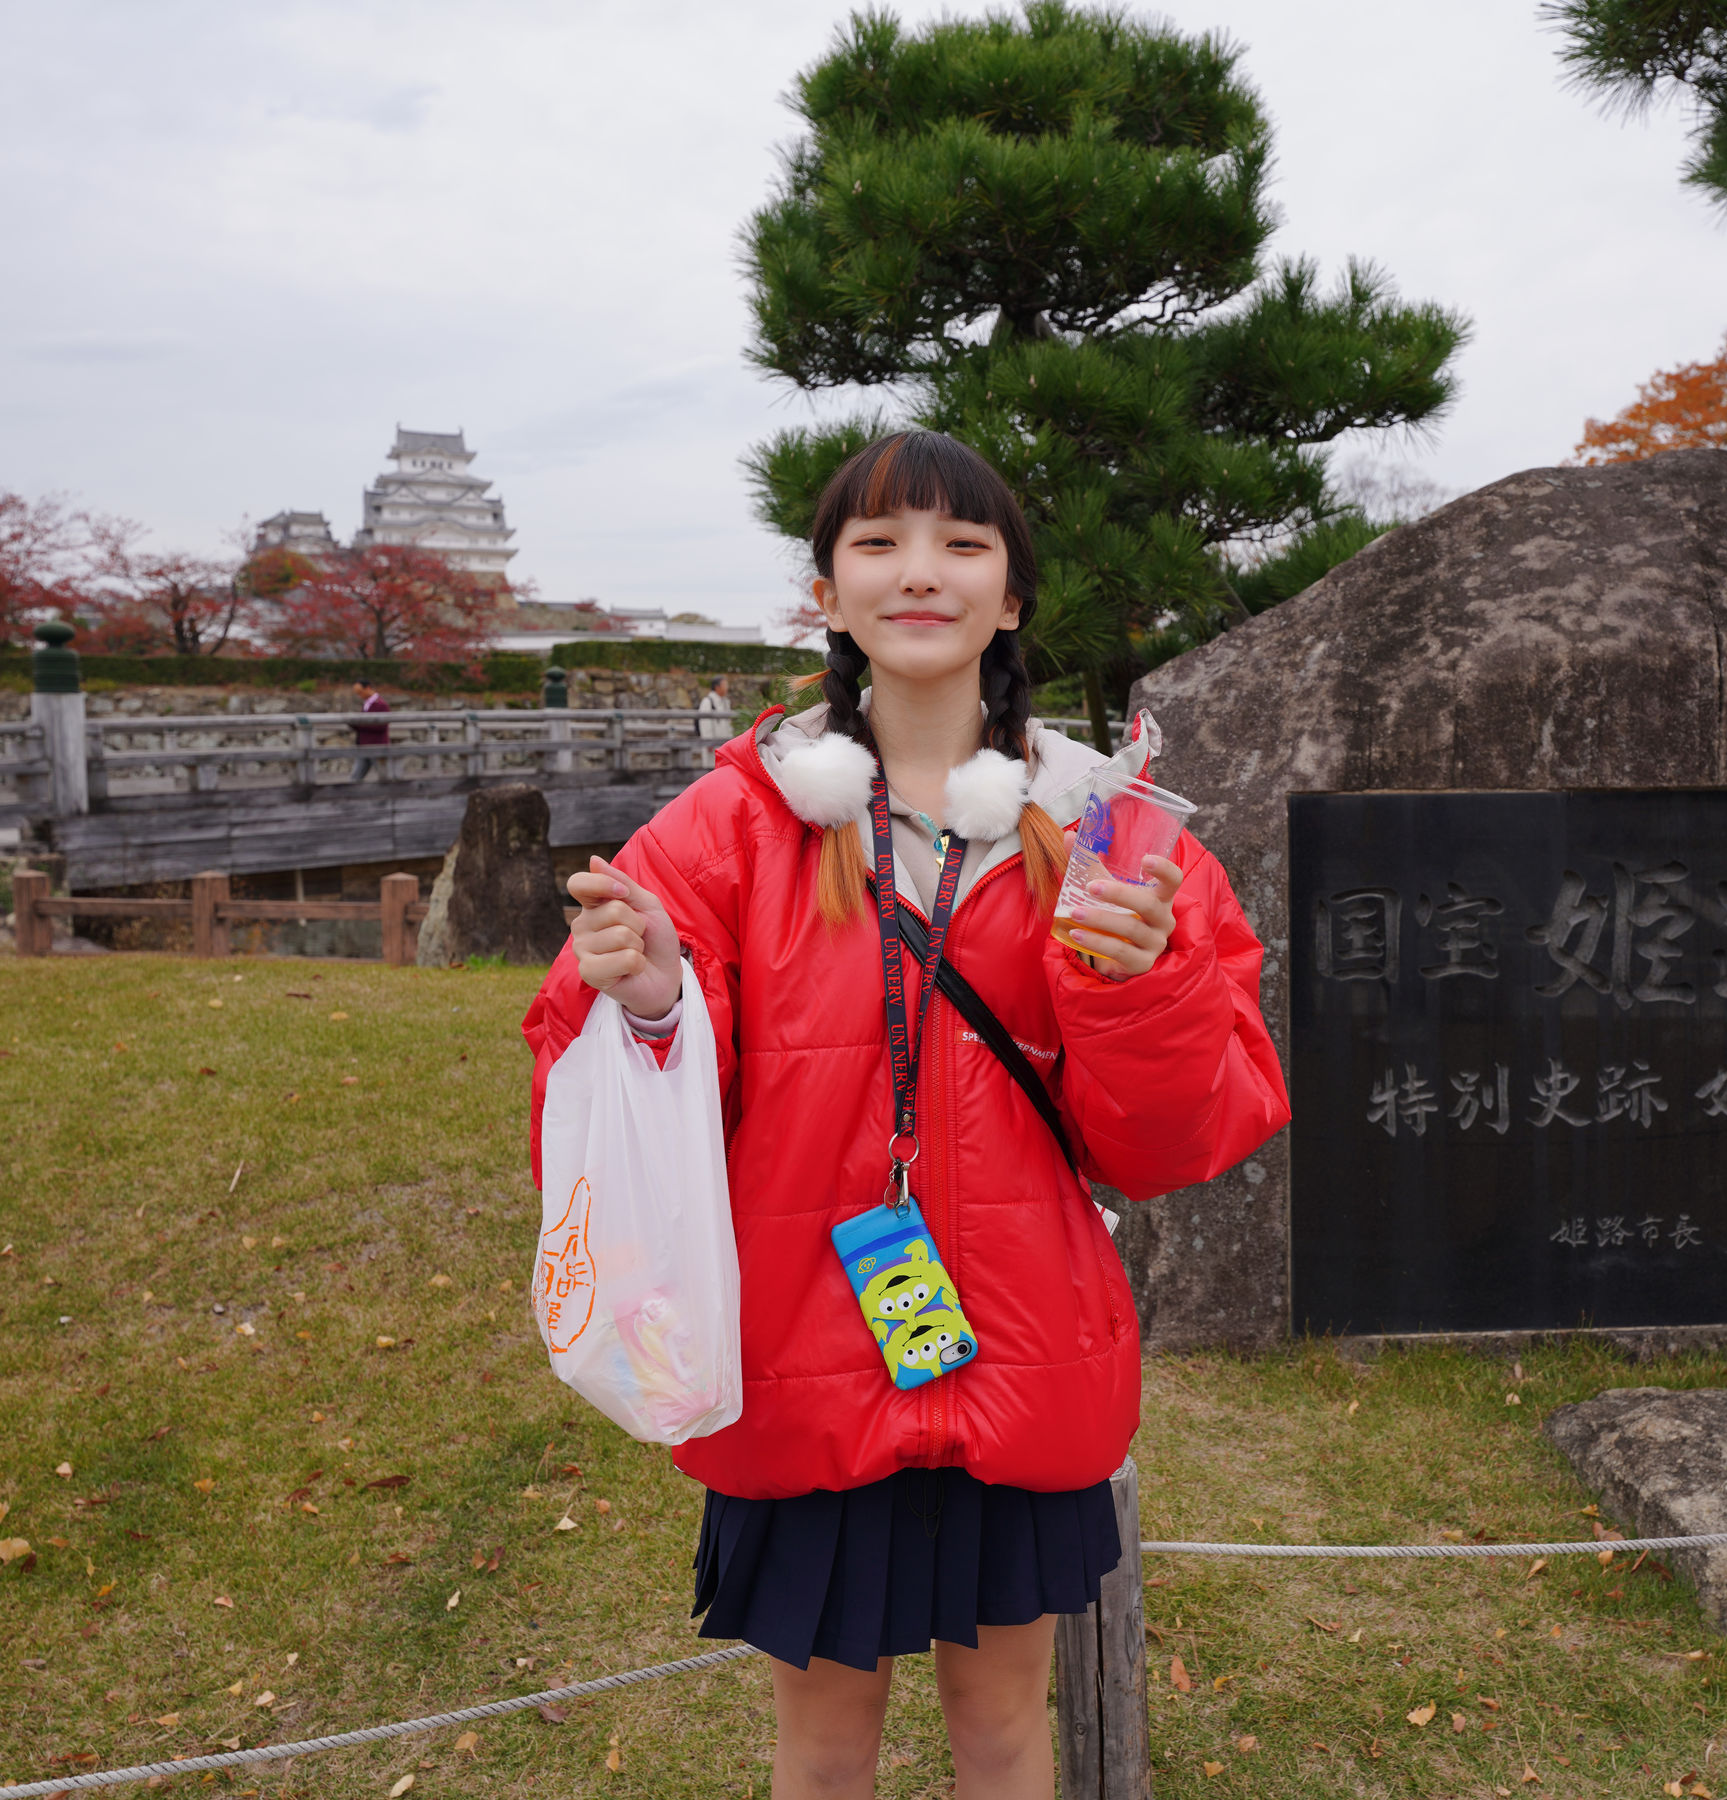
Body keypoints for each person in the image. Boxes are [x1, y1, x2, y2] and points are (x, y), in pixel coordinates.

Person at [522, 431, 1287, 1800]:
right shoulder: (723, 832)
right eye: (875, 544)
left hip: (1024, 1352)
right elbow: (617, 1119)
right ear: (825, 594)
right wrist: (647, 1002)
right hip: (800, 1357)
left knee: (1003, 1734)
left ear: (1011, 599)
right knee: (821, 1749)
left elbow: (1177, 1143)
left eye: (961, 543)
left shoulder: (1106, 837)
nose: (916, 572)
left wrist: (1139, 978)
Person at [351, 681, 390, 781]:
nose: (359, 695)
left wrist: (359, 724)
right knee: (355, 778)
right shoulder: (367, 704)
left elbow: (382, 726)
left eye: (360, 692)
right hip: (364, 745)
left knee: (384, 778)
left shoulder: (381, 705)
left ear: (368, 688)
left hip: (377, 745)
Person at [697, 673, 737, 751]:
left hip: (725, 743)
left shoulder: (726, 702)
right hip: (712, 745)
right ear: (717, 687)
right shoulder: (708, 701)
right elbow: (705, 723)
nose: (727, 688)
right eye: (725, 685)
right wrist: (708, 742)